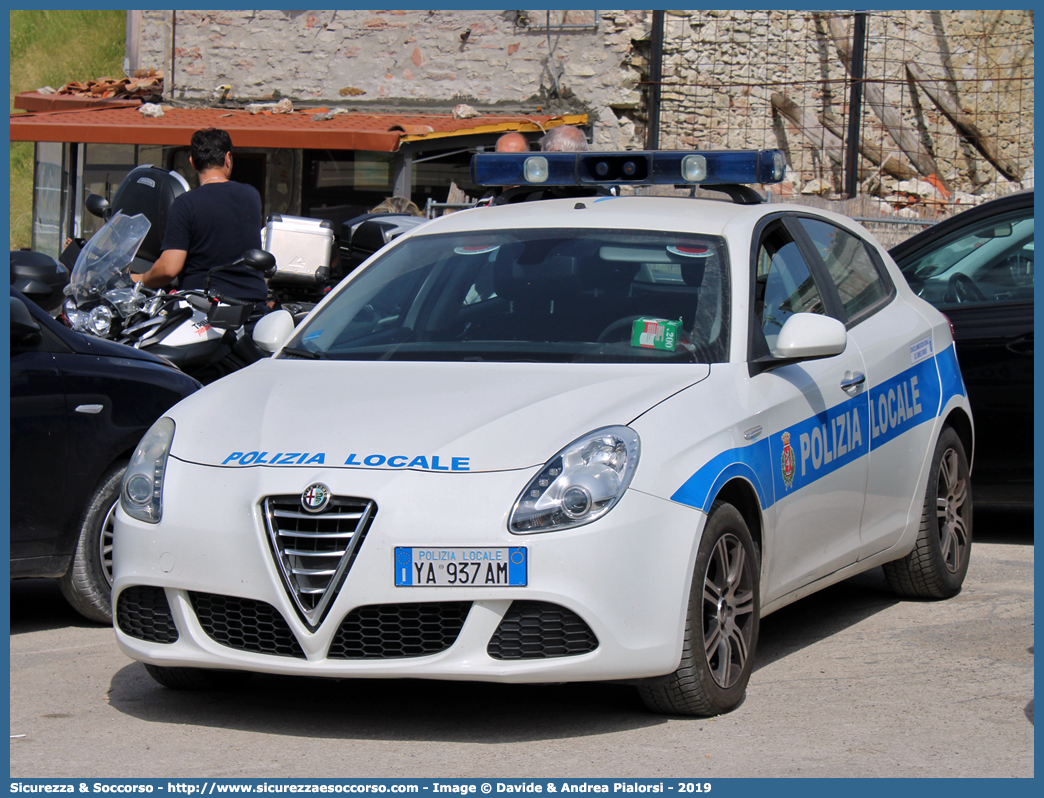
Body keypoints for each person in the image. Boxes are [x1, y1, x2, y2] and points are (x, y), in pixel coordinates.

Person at [130, 127, 267, 304]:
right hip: (251, 307)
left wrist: (141, 279)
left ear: (192, 162)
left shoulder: (185, 204)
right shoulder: (252, 196)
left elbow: (169, 269)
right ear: (227, 159)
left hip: (203, 310)